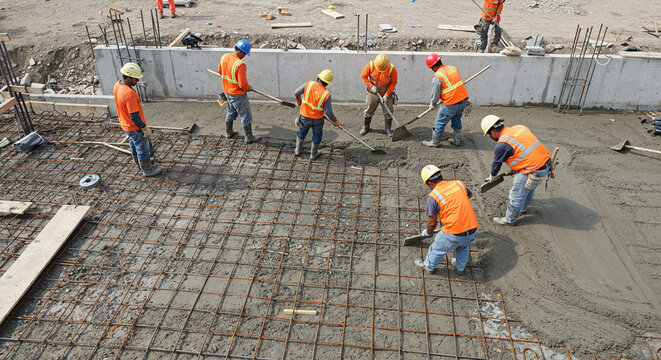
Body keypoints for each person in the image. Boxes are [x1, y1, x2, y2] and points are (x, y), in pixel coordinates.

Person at [481, 115, 551, 225]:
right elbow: (525, 148)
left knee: (516, 195)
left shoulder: (502, 144)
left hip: (531, 170)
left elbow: (496, 164)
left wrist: (492, 177)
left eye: (489, 135)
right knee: (529, 188)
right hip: (545, 164)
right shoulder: (520, 127)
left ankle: (509, 220)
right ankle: (523, 208)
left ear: (493, 132)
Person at [414, 165, 479, 275]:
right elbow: (470, 195)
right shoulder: (458, 183)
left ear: (430, 183)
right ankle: (460, 268)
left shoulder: (433, 196)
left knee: (436, 249)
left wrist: (428, 233)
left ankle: (428, 267)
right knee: (463, 246)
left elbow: (432, 223)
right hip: (472, 228)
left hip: (453, 233)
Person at [113, 62, 161, 177]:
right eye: (135, 79)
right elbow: (134, 115)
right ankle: (147, 170)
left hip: (125, 125)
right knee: (142, 148)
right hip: (134, 127)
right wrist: (143, 127)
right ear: (128, 77)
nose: (137, 81)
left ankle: (138, 163)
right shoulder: (129, 93)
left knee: (133, 143)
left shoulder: (117, 85)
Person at [423, 54, 469, 148]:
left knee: (440, 121)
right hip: (463, 99)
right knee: (456, 119)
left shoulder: (437, 77)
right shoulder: (453, 68)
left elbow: (435, 94)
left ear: (433, 67)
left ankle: (435, 142)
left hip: (451, 103)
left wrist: (433, 103)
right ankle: (457, 140)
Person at [218, 39, 260, 144]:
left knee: (231, 111)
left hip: (227, 92)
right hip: (237, 94)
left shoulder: (224, 57)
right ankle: (249, 137)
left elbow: (220, 72)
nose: (244, 56)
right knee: (246, 115)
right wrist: (248, 88)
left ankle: (229, 132)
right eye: (245, 54)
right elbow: (242, 85)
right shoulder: (240, 64)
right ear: (241, 52)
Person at [293, 69, 340, 160]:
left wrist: (298, 101)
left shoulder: (309, 84)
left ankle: (298, 150)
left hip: (304, 117)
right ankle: (313, 154)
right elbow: (329, 112)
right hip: (317, 120)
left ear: (318, 77)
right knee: (317, 135)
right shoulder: (326, 94)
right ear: (327, 83)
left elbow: (296, 93)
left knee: (301, 132)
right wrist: (335, 121)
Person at [359, 53, 398, 136]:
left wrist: (387, 94)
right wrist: (371, 86)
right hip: (373, 92)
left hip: (386, 93)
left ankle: (388, 129)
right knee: (369, 110)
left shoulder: (392, 68)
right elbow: (363, 76)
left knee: (388, 111)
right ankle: (366, 127)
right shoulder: (370, 65)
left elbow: (393, 82)